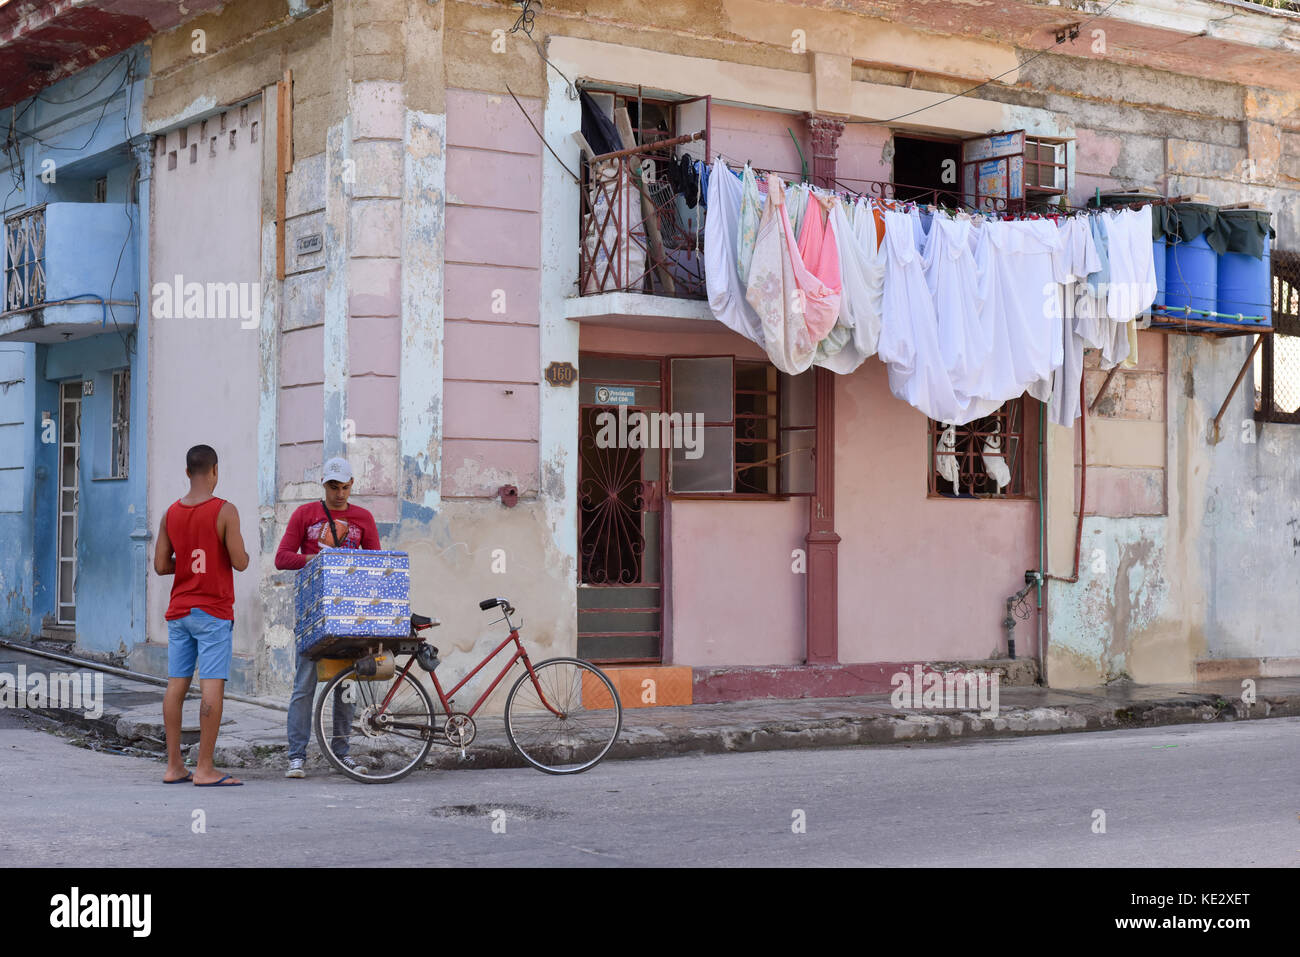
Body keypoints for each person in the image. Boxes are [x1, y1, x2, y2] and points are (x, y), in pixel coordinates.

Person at [275, 456, 380, 778]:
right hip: (313, 613)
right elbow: (282, 558)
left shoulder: (363, 517)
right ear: (324, 485)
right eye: (333, 487)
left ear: (352, 486)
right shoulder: (304, 514)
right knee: (304, 685)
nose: (339, 493)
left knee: (346, 685)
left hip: (350, 614)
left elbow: (376, 562)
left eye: (345, 487)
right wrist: (315, 559)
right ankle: (296, 756)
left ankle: (342, 753)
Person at [153, 444, 249, 787]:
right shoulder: (226, 511)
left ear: (187, 472)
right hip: (213, 612)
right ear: (215, 471)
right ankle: (205, 768)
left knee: (176, 684)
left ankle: (174, 765)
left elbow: (162, 565)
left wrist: (189, 566)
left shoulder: (170, 514)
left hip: (179, 611)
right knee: (211, 687)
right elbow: (240, 561)